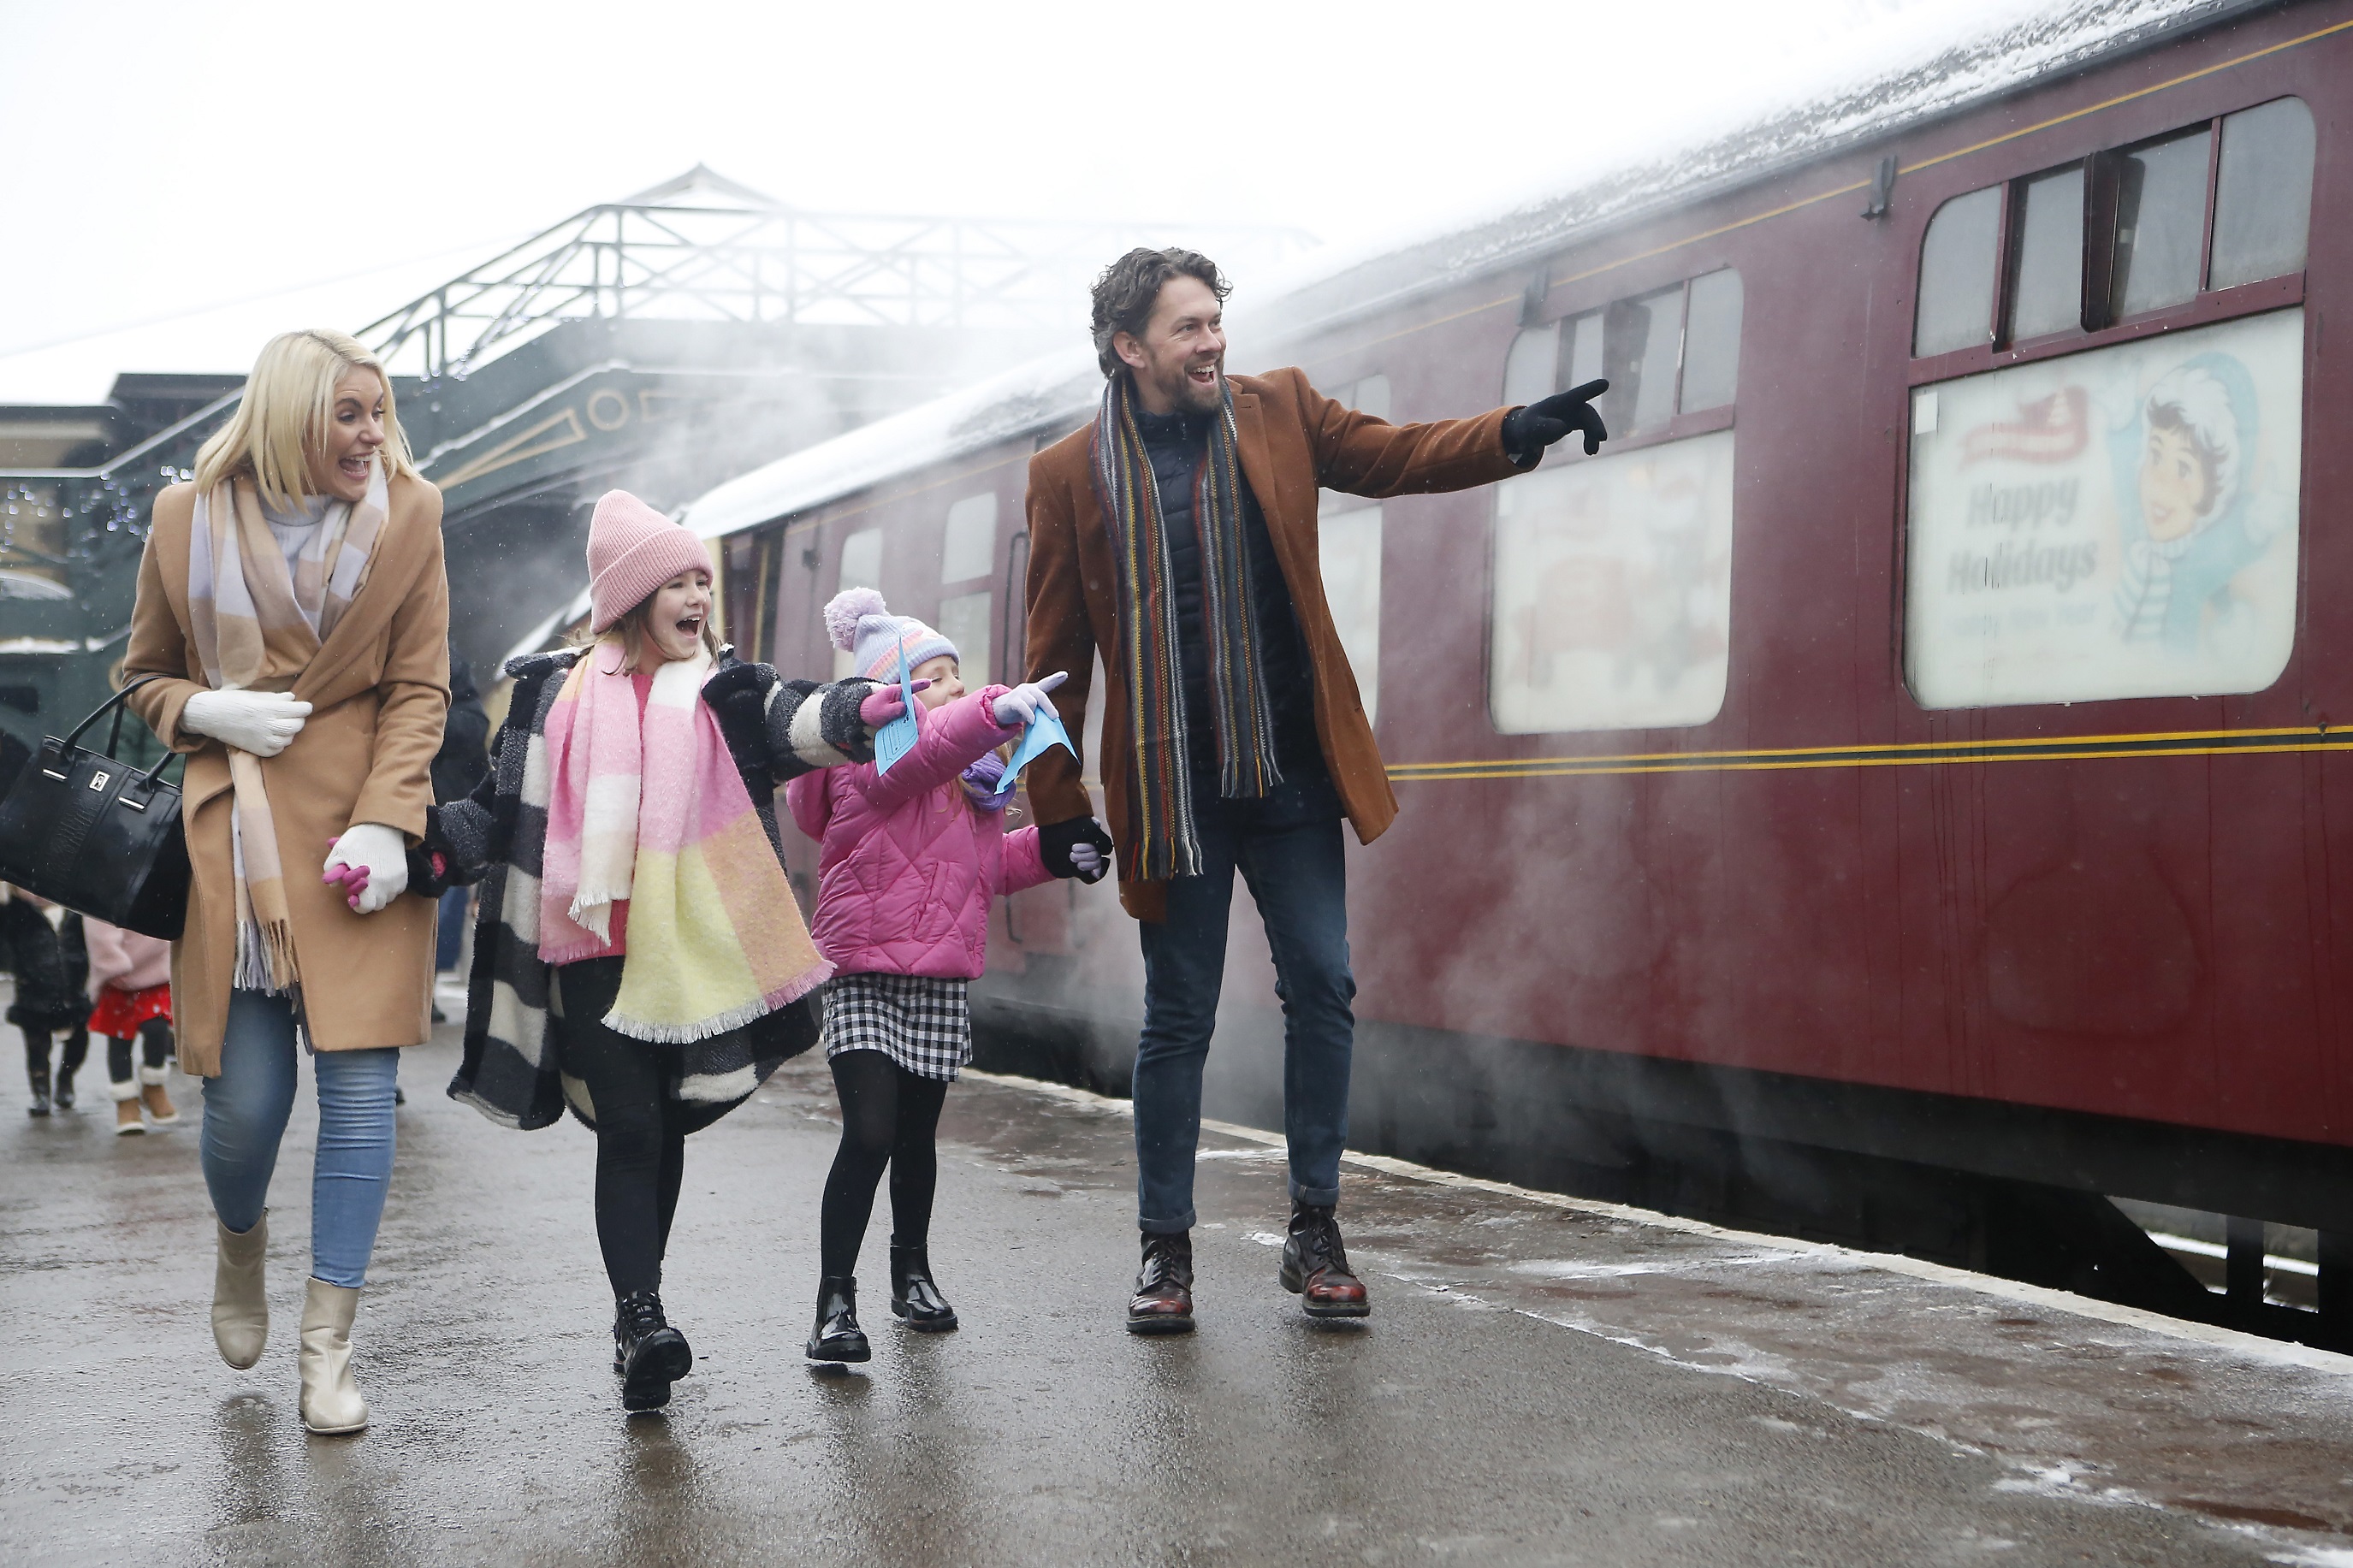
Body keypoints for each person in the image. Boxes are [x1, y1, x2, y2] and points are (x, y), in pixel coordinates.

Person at [1022, 248, 1609, 1333]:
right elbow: (1052, 661)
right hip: (1169, 789)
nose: (1213, 342)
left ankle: (1315, 1228)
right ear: (1129, 347)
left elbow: (1392, 455)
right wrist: (1058, 810)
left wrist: (1512, 430)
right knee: (1177, 1020)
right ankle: (1164, 1252)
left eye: (1214, 322)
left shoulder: (1277, 410)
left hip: (1288, 767)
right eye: (1189, 327)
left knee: (1325, 987)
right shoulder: (1068, 475)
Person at [426, 490, 904, 1413]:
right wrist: (425, 848)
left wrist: (865, 710)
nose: (697, 597)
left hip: (686, 946)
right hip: (584, 940)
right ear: (630, 599)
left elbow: (797, 715)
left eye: (701, 581)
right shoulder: (555, 696)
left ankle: (638, 1315)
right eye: (677, 582)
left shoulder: (722, 692)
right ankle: (640, 1316)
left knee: (665, 1119)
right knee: (634, 1125)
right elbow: (497, 807)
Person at [122, 327, 451, 1435]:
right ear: (287, 418)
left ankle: (327, 1356)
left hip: (358, 846)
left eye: (379, 411)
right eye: (348, 414)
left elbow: (419, 689)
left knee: (360, 1106)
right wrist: (201, 710)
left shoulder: (413, 514)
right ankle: (239, 1240)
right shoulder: (184, 519)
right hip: (237, 844)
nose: (373, 435)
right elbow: (145, 674)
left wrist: (388, 822)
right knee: (247, 1112)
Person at [785, 589, 1095, 1363]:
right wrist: (995, 707)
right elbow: (930, 745)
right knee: (871, 1132)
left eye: (961, 673)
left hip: (937, 979)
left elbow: (983, 871)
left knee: (917, 1138)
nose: (956, 684)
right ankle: (833, 1298)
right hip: (863, 971)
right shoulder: (873, 766)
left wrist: (1056, 852)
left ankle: (911, 1273)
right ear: (899, 690)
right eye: (940, 674)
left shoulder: (972, 787)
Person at [83, 915, 177, 1134]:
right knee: (120, 1041)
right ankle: (125, 1102)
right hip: (118, 982)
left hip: (155, 974)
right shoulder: (104, 886)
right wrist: (114, 965)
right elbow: (99, 931)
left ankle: (154, 1085)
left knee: (158, 1029)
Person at [4, 890, 87, 1116]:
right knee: (37, 1049)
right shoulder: (18, 914)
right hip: (33, 996)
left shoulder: (74, 913)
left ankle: (66, 1078)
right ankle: (40, 1093)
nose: (39, 894)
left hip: (73, 994)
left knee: (77, 1045)